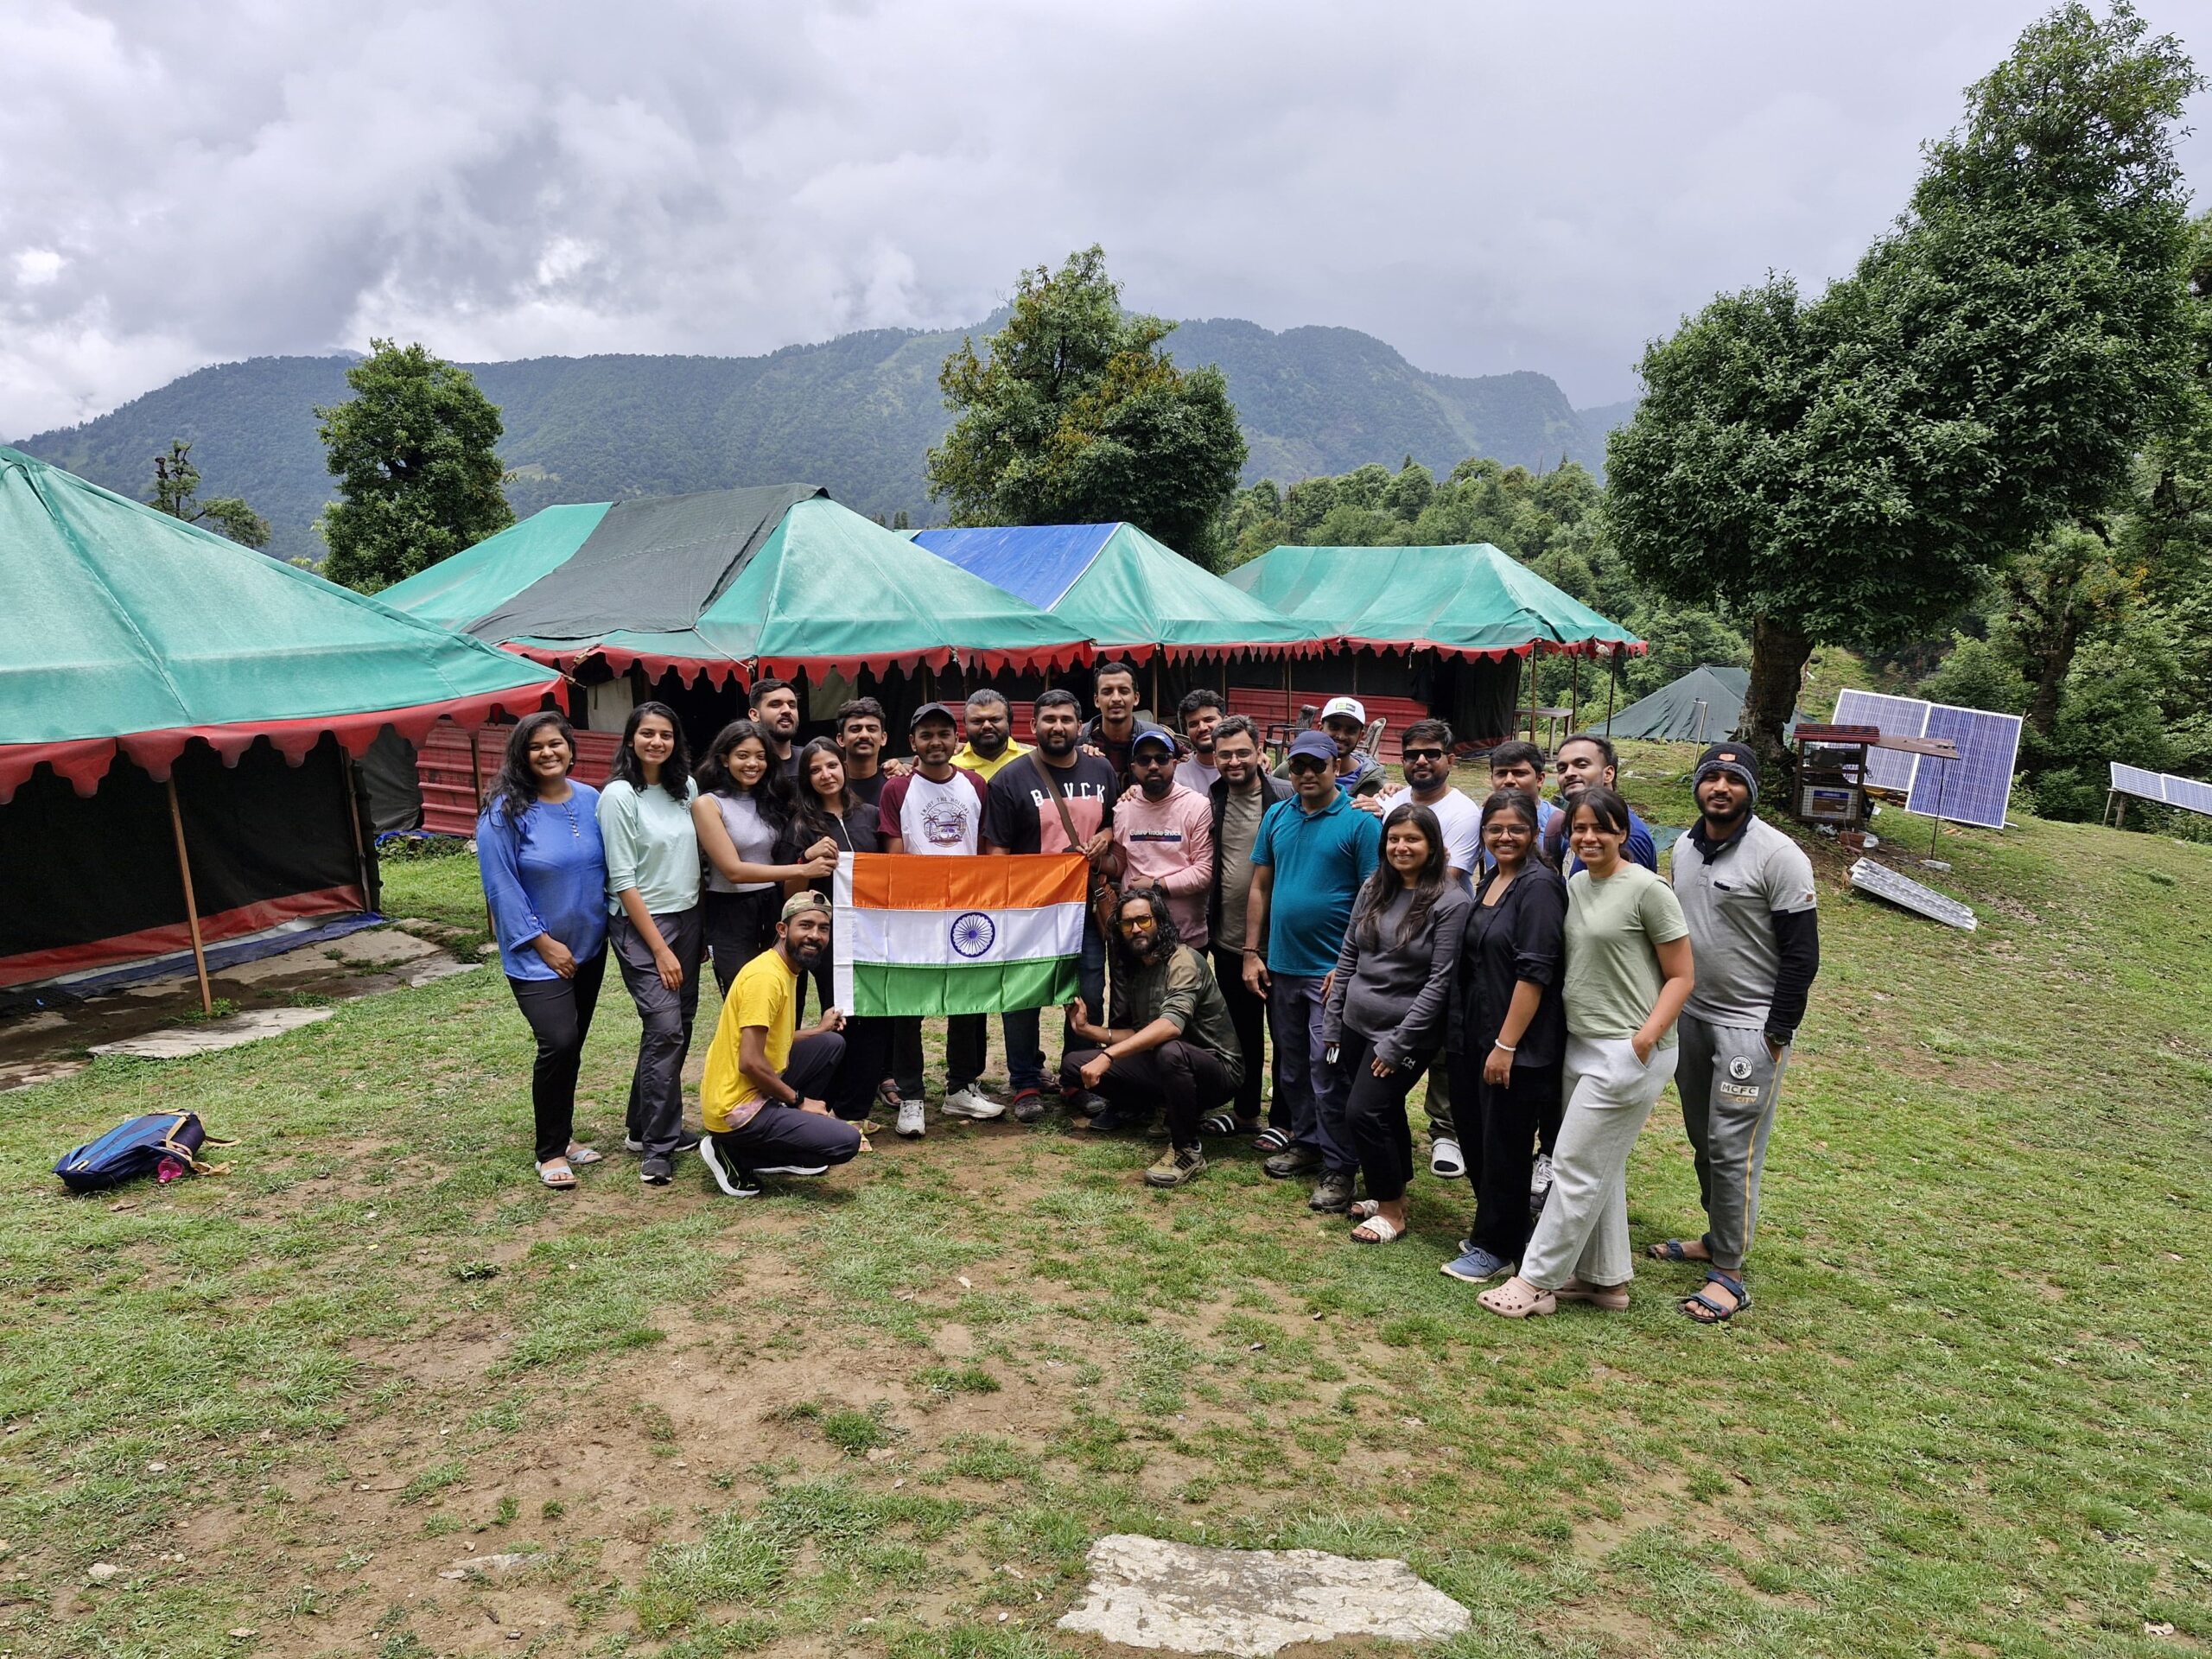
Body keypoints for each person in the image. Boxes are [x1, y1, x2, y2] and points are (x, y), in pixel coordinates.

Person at [1480, 786, 1694, 1318]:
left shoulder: (1649, 889)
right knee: (1602, 1166)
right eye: (1580, 828)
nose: (1589, 837)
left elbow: (1683, 976)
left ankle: (1535, 1281)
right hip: (1580, 1045)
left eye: (1602, 827)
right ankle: (1605, 1281)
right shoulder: (1575, 885)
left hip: (1629, 1052)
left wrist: (1644, 1039)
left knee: (1573, 1165)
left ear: (1623, 833)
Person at [1649, 743, 1821, 1324]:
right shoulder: (1684, 849)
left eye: (1733, 779)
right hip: (1692, 1017)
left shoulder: (1779, 856)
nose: (1720, 787)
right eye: (1711, 777)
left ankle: (1731, 1274)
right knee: (1704, 1136)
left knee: (1733, 1147)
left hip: (1750, 1027)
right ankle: (1718, 1237)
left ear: (1751, 788)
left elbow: (1802, 954)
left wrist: (1778, 1031)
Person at [1244, 730, 1382, 1213]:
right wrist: (1250, 951)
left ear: (1335, 765)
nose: (1306, 774)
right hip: (1282, 964)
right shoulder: (1277, 816)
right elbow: (1261, 885)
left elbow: (1373, 897)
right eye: (1298, 765)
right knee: (1293, 1064)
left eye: (1316, 765)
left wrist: (1349, 967)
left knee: (1329, 1069)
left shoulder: (1359, 822)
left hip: (1330, 971)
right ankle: (1305, 1140)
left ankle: (1340, 1164)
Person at [1322, 804, 1473, 1243]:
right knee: (1381, 1111)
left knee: (1364, 1111)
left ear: (1433, 847)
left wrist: (1399, 1043)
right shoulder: (1375, 887)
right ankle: (1392, 1191)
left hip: (1405, 1031)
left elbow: (1441, 981)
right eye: (1394, 839)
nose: (1401, 847)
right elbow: (1349, 955)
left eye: (1413, 839)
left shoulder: (1451, 901)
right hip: (1355, 1021)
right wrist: (1334, 1022)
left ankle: (1391, 1212)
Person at [477, 712, 611, 1191]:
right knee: (557, 1042)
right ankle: (550, 1151)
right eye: (537, 747)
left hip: (590, 949)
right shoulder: (504, 812)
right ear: (522, 754)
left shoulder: (592, 799)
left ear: (570, 748)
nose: (548, 753)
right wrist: (542, 941)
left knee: (572, 1047)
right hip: (539, 954)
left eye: (556, 743)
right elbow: (501, 887)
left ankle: (565, 1135)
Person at [1439, 791, 1567, 1281]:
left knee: (1504, 1145)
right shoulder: (1493, 878)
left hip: (1517, 1045)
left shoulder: (1539, 887)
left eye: (1515, 829)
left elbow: (1535, 973)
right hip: (1475, 1032)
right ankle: (1496, 1228)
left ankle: (1497, 1247)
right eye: (1495, 829)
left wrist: (1506, 1045)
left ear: (1533, 832)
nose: (1504, 837)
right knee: (1476, 1135)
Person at [984, 689, 1122, 1122]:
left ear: (1080, 726)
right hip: (1030, 911)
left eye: (1065, 719)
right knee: (1023, 997)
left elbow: (1116, 820)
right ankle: (1025, 1082)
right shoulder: (1009, 779)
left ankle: (1074, 1078)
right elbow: (997, 853)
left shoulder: (1101, 769)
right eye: (1049, 720)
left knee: (1089, 993)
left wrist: (1108, 837)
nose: (1057, 727)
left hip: (1085, 908)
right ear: (1033, 727)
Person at [1363, 717, 1482, 1180]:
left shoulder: (1464, 813)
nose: (1421, 761)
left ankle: (1444, 1132)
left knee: (1438, 1040)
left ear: (1450, 759)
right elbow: (1383, 864)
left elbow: (1444, 880)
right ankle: (1394, 1141)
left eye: (1432, 753)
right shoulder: (1391, 801)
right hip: (1388, 940)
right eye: (1412, 754)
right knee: (1386, 1048)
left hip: (1437, 937)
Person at [1063, 886, 1243, 1187]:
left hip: (1217, 1070)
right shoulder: (1139, 967)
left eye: (1144, 920)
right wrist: (1088, 1031)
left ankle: (1186, 1148)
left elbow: (1170, 1027)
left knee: (1170, 1051)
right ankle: (1166, 1107)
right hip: (1169, 1060)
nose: (1135, 929)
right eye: (1127, 923)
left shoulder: (1183, 960)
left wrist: (1108, 1056)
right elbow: (1141, 1032)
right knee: (1074, 1064)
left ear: (1160, 920)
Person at [598, 702, 705, 1187]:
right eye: (647, 734)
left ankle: (643, 1127)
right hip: (643, 925)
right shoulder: (620, 795)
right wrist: (660, 948)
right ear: (631, 739)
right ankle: (660, 1147)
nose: (656, 742)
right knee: (664, 1028)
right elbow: (622, 878)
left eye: (665, 734)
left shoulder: (686, 790)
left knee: (677, 1023)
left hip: (689, 917)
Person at [696, 892, 864, 1198]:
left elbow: (774, 1041)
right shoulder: (766, 978)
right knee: (844, 1142)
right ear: (783, 929)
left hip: (753, 1089)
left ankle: (777, 1136)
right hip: (735, 1109)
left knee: (830, 1043)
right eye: (806, 925)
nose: (814, 935)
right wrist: (800, 1101)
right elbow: (749, 1061)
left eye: (823, 928)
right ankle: (733, 1152)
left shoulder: (785, 969)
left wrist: (819, 1028)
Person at [878, 702, 992, 1135]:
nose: (936, 742)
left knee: (968, 1000)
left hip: (967, 910)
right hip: (915, 914)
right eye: (926, 735)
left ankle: (962, 1085)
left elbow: (982, 847)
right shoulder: (897, 790)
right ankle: (910, 1095)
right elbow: (893, 854)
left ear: (956, 740)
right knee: (909, 1005)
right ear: (913, 744)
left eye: (944, 733)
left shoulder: (976, 785)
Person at [775, 736, 898, 1126]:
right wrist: (806, 863)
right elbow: (789, 894)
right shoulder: (800, 825)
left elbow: (891, 870)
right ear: (806, 778)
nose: (825, 774)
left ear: (843, 767)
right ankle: (834, 1105)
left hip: (875, 935)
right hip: (826, 942)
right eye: (815, 769)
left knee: (877, 1017)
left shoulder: (870, 815)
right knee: (840, 1016)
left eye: (831, 765)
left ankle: (858, 1110)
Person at [693, 720, 835, 995]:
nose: (753, 764)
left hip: (776, 907)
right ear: (724, 759)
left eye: (760, 757)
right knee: (745, 997)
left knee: (784, 993)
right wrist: (802, 870)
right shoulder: (708, 804)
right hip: (730, 911)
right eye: (742, 756)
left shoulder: (774, 798)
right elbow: (734, 870)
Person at [1207, 716, 1293, 1145]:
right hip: (1229, 938)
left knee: (1285, 1033)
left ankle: (1284, 1119)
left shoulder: (1286, 797)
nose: (1234, 761)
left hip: (1279, 942)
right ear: (1214, 757)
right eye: (1225, 754)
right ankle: (1244, 1113)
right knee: (1240, 1030)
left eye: (1243, 752)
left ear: (1261, 753)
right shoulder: (1213, 795)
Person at [1114, 729, 1214, 949]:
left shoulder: (1197, 806)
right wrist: (1092, 859)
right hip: (1135, 938)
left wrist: (1156, 885)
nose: (1153, 766)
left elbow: (1205, 871)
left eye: (1161, 758)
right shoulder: (1123, 807)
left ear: (1175, 763)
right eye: (1144, 759)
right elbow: (1120, 862)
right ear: (1133, 767)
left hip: (1185, 937)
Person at [1546, 735, 1656, 873]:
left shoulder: (1626, 836)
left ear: (1608, 774)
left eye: (1581, 765)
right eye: (1562, 769)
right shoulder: (1574, 825)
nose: (1569, 773)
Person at [1275, 696, 1386, 796]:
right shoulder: (1292, 768)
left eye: (1351, 730)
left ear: (1360, 736)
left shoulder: (1374, 781)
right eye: (1334, 727)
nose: (1341, 736)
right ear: (1321, 728)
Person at [1081, 659, 1167, 779]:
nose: (1116, 698)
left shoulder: (1157, 735)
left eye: (1123, 691)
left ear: (1136, 698)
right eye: (1107, 692)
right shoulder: (1079, 739)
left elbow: (1191, 759)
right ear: (1096, 700)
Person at [1481, 741, 1560, 867]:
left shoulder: (1559, 824)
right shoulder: (1480, 820)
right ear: (1492, 779)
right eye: (1501, 773)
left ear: (1539, 779)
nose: (1509, 781)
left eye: (1519, 773)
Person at [952, 688, 1032, 780]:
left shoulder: (1032, 761)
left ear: (1008, 721)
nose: (986, 726)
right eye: (977, 721)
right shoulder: (952, 767)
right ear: (965, 724)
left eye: (995, 720)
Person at [835, 697, 894, 811]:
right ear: (841, 739)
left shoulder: (895, 785)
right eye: (855, 729)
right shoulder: (829, 785)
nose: (864, 735)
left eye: (871, 729)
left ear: (883, 738)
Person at [748, 677, 804, 777]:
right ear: (754, 715)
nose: (787, 710)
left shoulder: (809, 761)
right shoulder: (748, 767)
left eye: (792, 705)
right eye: (775, 705)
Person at [1174, 690, 1225, 794]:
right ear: (1187, 731)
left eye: (1209, 720)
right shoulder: (1177, 776)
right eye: (1193, 724)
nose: (1202, 728)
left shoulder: (1242, 767)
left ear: (1225, 721)